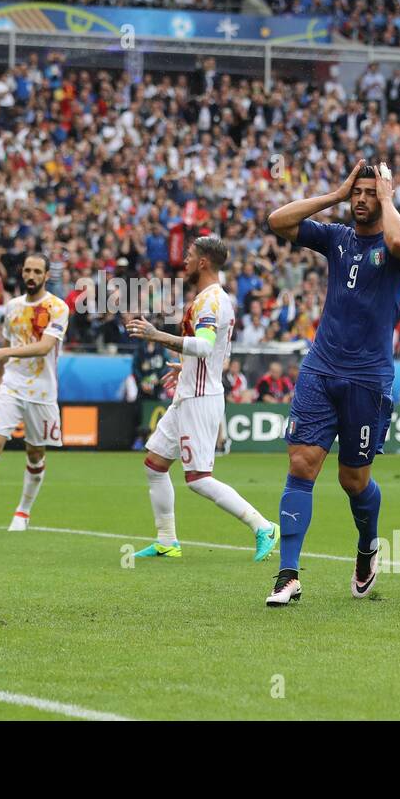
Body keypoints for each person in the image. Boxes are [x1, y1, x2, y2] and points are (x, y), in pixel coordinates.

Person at [264, 160, 400, 606]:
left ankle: (368, 545)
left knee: (353, 480)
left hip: (368, 380)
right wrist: (335, 194)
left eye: (371, 192)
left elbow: (399, 240)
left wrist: (388, 198)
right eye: (359, 192)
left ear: (385, 195)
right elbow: (278, 221)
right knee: (301, 465)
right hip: (321, 368)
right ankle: (288, 575)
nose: (363, 199)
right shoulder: (336, 237)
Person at [125, 236, 278, 562]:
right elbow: (217, 349)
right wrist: (186, 366)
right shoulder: (212, 299)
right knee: (154, 463)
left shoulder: (210, 301)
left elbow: (206, 345)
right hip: (188, 393)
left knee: (198, 479)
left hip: (200, 398)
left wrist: (157, 335)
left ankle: (263, 526)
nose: (186, 261)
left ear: (204, 262)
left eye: (191, 256)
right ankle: (167, 541)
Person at [0, 253, 70, 531]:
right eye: (27, 270)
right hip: (12, 386)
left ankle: (23, 512)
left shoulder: (57, 307)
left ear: (45, 275)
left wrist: (2, 352)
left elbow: (43, 347)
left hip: (42, 391)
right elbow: (9, 342)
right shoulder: (13, 307)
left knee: (35, 454)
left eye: (36, 271)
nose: (31, 275)